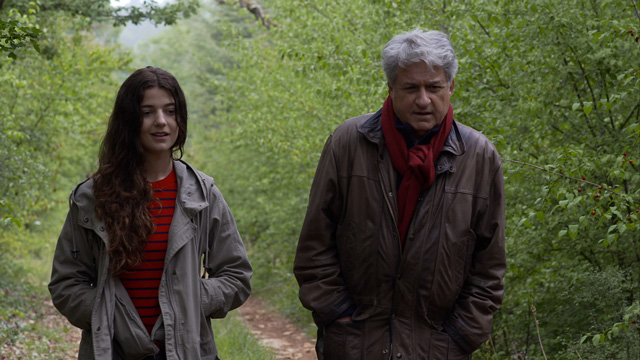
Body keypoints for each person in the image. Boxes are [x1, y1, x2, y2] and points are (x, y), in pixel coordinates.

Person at [293, 29, 506, 359]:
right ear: (391, 88)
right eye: (410, 88)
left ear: (451, 87)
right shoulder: (348, 143)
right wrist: (337, 314)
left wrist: (462, 335)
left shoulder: (478, 157)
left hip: (438, 348)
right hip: (355, 343)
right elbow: (315, 243)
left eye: (434, 87)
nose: (423, 100)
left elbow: (489, 266)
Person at [49, 66, 252, 360]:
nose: (161, 122)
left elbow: (236, 276)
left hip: (186, 351)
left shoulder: (202, 194)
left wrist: (191, 300)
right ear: (129, 120)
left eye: (170, 111)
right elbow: (65, 283)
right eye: (147, 112)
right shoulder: (92, 196)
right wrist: (109, 313)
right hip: (111, 351)